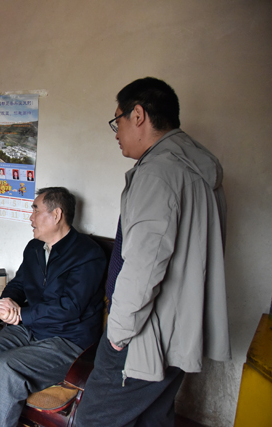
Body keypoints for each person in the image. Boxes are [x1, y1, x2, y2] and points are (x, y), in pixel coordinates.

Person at [75, 77, 230, 426]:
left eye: (117, 121)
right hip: (183, 328)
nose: (116, 133)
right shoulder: (199, 167)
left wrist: (118, 335)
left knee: (93, 420)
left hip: (145, 333)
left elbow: (144, 266)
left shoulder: (158, 173)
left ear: (138, 115)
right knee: (152, 417)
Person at [0, 187, 106, 427]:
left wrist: (22, 314)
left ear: (56, 215)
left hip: (67, 339)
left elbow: (70, 307)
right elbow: (19, 284)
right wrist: (7, 302)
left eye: (35, 210)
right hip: (30, 329)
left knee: (7, 367)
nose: (30, 217)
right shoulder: (34, 247)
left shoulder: (87, 254)